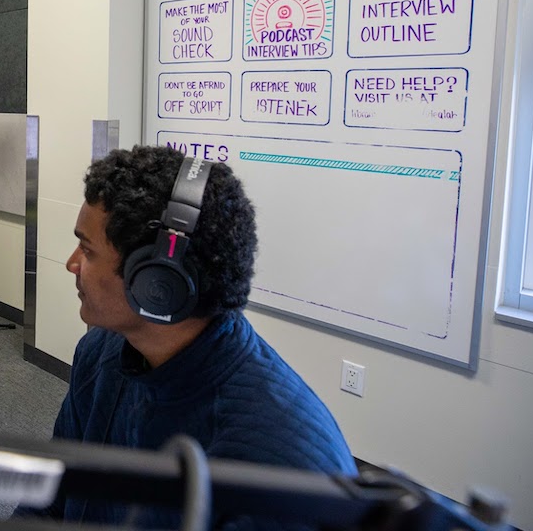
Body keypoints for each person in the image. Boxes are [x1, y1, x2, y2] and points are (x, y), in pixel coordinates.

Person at [21, 145, 355, 525]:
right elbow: (47, 499)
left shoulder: (287, 466)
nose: (72, 264)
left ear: (155, 283)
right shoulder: (100, 353)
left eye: (87, 248)